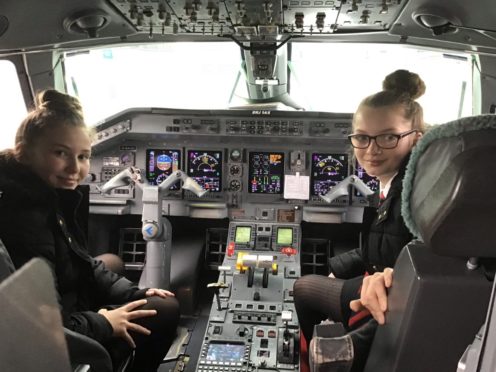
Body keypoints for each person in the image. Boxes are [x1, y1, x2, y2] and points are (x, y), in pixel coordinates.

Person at [0, 89, 179, 372]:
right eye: (61, 153)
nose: (75, 168)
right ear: (24, 149)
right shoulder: (24, 218)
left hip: (56, 305)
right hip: (52, 335)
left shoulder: (37, 192)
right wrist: (105, 322)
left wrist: (135, 292)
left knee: (113, 262)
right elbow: (44, 323)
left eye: (83, 156)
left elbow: (78, 260)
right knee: (166, 309)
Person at [293, 69, 426, 371]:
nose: (372, 150)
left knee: (303, 288)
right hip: (382, 278)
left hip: (392, 289)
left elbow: (418, 251)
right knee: (319, 281)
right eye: (362, 137)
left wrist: (381, 276)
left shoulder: (415, 190)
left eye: (389, 136)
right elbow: (381, 244)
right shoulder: (391, 179)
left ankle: (307, 362)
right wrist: (336, 269)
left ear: (415, 138)